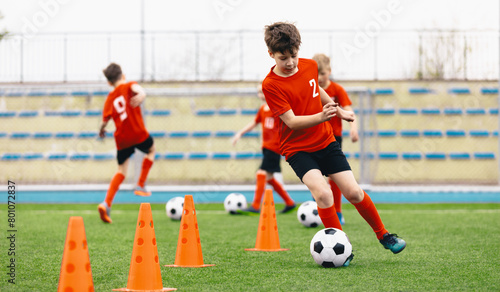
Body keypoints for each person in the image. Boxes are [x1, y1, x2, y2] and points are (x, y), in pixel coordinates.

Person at [261, 22, 405, 265]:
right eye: (283, 57)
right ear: (271, 54)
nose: (290, 62)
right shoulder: (271, 85)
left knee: (354, 192)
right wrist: (322, 116)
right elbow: (292, 122)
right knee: (324, 195)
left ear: (299, 49)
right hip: (297, 149)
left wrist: (338, 111)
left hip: (325, 142)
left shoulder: (310, 66)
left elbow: (316, 90)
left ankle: (384, 235)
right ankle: (343, 247)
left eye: (293, 55)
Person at [97, 63, 155, 223]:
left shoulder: (110, 98)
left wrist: (101, 130)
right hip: (138, 133)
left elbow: (104, 122)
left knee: (121, 171)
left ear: (109, 82)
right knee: (151, 150)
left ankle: (106, 203)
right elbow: (139, 90)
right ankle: (140, 185)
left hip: (122, 138)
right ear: (123, 75)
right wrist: (142, 94)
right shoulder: (130, 85)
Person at [231, 83, 296, 214]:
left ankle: (255, 206)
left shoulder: (277, 107)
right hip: (266, 147)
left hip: (275, 147)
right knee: (269, 177)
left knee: (261, 174)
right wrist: (240, 133)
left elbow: (289, 122)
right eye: (259, 92)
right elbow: (254, 122)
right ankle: (289, 203)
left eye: (263, 91)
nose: (261, 94)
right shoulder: (262, 109)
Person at [311, 53, 359, 225]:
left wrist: (353, 128)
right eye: (316, 75)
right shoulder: (311, 90)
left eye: (322, 73)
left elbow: (348, 110)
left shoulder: (337, 90)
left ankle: (337, 212)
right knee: (315, 176)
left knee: (334, 177)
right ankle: (324, 208)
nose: (320, 78)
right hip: (314, 137)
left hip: (333, 138)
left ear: (329, 71)